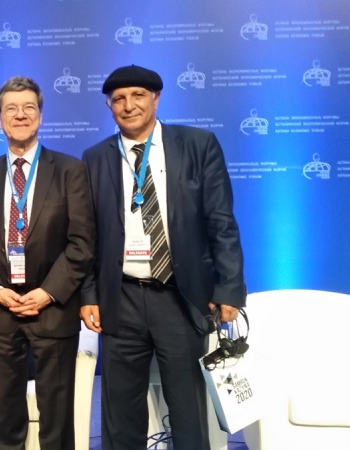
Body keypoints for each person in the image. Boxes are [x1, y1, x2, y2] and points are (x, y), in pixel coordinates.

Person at [80, 65, 246, 450]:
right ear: (109, 106)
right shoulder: (95, 157)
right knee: (120, 414)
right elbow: (87, 235)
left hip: (181, 296)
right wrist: (89, 294)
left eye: (138, 95)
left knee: (188, 411)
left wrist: (229, 288)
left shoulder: (197, 145)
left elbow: (221, 221)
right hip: (120, 299)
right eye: (119, 99)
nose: (129, 105)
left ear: (156, 98)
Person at [0, 76, 95, 450]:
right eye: (11, 108)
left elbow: (82, 242)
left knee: (56, 420)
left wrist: (47, 292)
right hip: (2, 312)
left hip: (53, 310)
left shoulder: (70, 170)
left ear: (40, 116)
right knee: (5, 418)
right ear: (0, 118)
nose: (20, 115)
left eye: (29, 107)